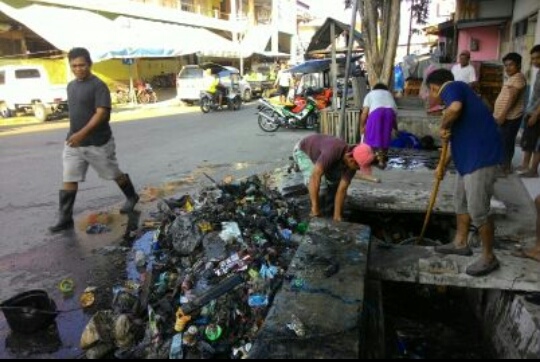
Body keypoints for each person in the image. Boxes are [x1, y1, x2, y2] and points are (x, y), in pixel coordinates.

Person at [49, 47, 139, 233]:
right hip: (74, 143)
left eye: (82, 65)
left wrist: (82, 133)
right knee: (69, 177)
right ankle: (65, 218)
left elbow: (102, 114)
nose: (78, 69)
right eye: (74, 66)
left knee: (113, 173)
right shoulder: (71, 86)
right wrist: (76, 135)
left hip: (98, 142)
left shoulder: (98, 86)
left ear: (89, 64)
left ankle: (131, 197)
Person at [426, 68, 503, 277]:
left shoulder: (453, 87)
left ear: (435, 88)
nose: (433, 97)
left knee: (478, 210)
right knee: (460, 202)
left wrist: (442, 124)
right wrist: (441, 166)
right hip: (466, 160)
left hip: (481, 158)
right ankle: (460, 242)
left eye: (431, 93)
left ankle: (489, 257)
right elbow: (451, 142)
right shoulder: (455, 102)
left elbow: (455, 108)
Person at [292, 134, 374, 222]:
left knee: (335, 182)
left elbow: (342, 189)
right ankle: (315, 211)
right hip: (304, 151)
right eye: (359, 167)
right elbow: (315, 177)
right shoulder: (333, 151)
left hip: (322, 157)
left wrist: (337, 216)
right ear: (350, 159)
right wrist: (315, 209)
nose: (358, 169)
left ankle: (329, 211)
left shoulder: (353, 163)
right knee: (322, 187)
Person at [493, 52, 527, 175]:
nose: (507, 68)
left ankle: (505, 168)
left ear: (518, 65)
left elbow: (512, 98)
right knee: (503, 140)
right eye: (506, 65)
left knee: (507, 141)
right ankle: (503, 165)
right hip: (505, 116)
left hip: (510, 117)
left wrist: (502, 115)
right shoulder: (512, 78)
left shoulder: (518, 77)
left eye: (511, 65)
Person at [359, 83, 398, 169]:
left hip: (376, 113)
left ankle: (373, 158)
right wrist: (396, 128)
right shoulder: (388, 94)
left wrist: (361, 126)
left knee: (372, 136)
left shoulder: (370, 94)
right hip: (389, 113)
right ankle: (382, 160)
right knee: (385, 136)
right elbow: (394, 115)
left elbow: (364, 113)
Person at [517, 44, 540, 178]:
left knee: (537, 143)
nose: (534, 61)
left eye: (538, 58)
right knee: (528, 140)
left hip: (537, 114)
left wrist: (536, 115)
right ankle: (526, 165)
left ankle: (533, 170)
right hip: (532, 111)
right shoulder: (538, 73)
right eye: (533, 58)